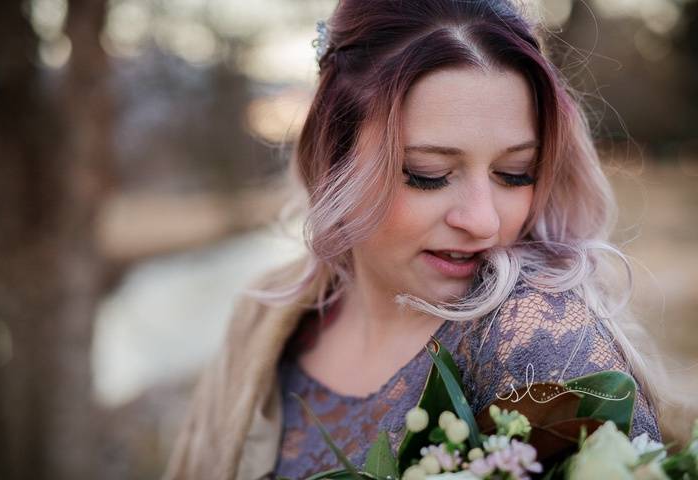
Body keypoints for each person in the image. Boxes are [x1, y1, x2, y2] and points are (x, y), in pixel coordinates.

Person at [164, 1, 665, 479]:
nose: (483, 221)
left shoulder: (534, 338)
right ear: (333, 161)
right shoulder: (266, 319)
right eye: (429, 173)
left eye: (515, 173)